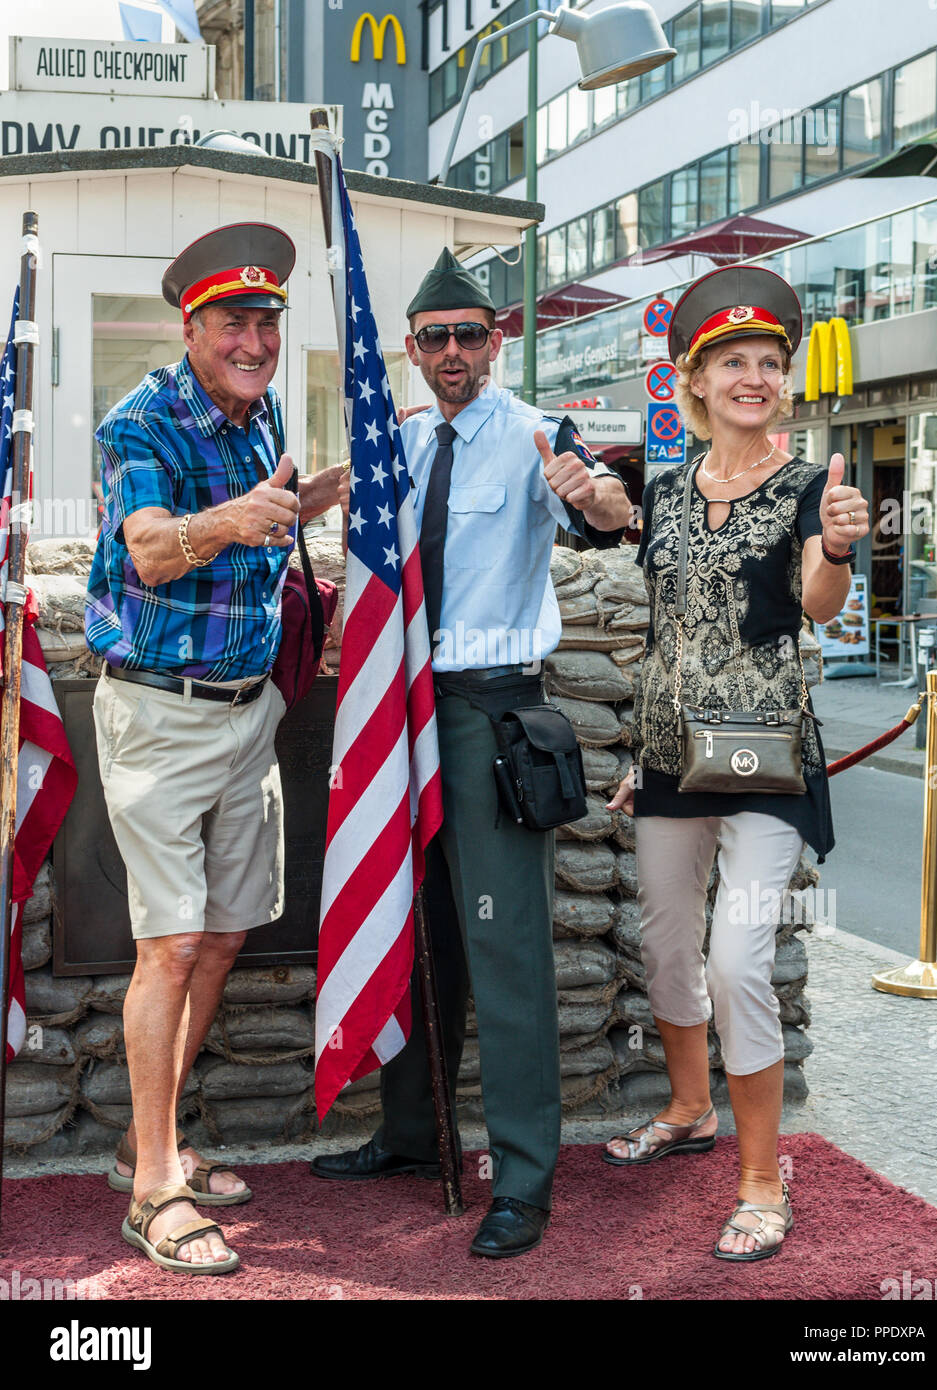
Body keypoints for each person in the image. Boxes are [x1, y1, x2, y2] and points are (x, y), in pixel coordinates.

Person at [303, 248, 632, 1257]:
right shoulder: (395, 437)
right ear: (410, 348)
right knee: (416, 931)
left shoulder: (539, 434)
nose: (453, 351)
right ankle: (412, 1132)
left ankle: (524, 1177)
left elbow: (609, 516)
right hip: (401, 714)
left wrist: (603, 498)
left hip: (487, 718)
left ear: (495, 341)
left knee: (504, 949)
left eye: (471, 334)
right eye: (435, 336)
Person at [85, 223, 345, 1273]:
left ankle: (144, 1143)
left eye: (266, 322)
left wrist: (316, 494)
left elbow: (267, 523)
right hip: (158, 712)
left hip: (248, 714)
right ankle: (155, 1187)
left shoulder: (263, 413)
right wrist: (237, 518)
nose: (253, 339)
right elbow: (147, 550)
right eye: (233, 321)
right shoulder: (139, 421)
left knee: (227, 935)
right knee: (171, 945)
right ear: (189, 326)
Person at [602, 266, 870, 1261]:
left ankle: (764, 1178)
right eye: (733, 362)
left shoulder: (810, 489)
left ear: (783, 384)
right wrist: (638, 751)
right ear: (694, 381)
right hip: (673, 758)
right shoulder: (666, 496)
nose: (754, 375)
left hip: (765, 763)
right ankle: (688, 1105)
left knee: (736, 957)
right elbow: (663, 636)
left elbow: (817, 600)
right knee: (668, 943)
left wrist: (836, 549)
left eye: (770, 361)